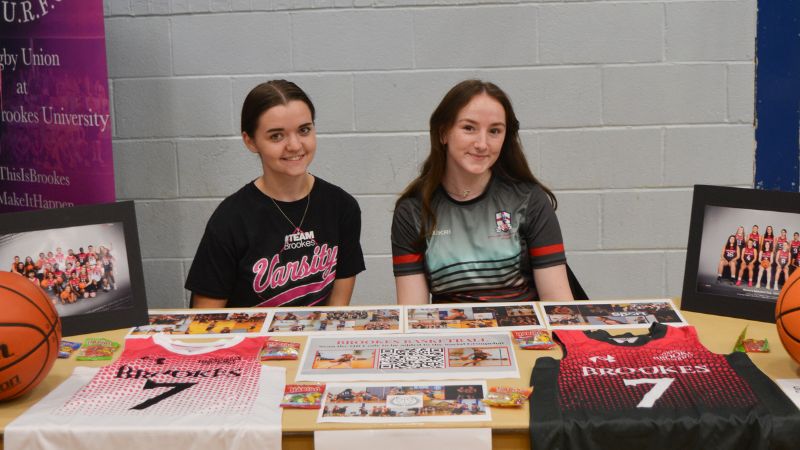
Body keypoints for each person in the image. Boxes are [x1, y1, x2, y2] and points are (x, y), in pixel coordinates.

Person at [186, 80, 365, 308]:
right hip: (250, 343)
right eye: (276, 136)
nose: (294, 145)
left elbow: (336, 312)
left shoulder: (342, 206)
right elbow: (204, 321)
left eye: (304, 130)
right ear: (250, 141)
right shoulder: (230, 219)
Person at [391, 80, 572, 304]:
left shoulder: (529, 200)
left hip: (524, 336)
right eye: (469, 128)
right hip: (452, 336)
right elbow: (414, 314)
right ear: (443, 133)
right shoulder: (413, 211)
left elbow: (559, 307)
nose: (482, 144)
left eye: (495, 131)